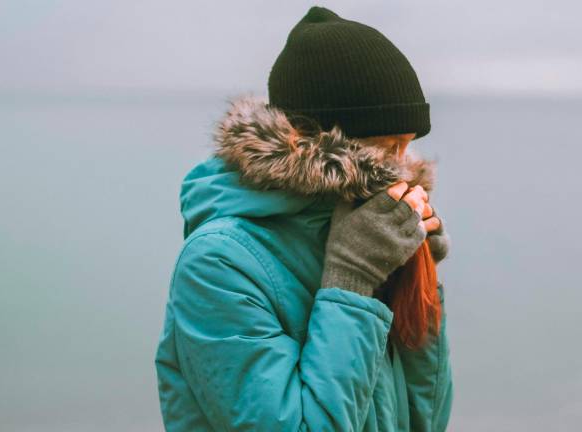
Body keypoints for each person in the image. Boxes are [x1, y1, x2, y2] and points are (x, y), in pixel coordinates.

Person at [155, 6, 453, 431]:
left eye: (407, 147)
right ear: (324, 147)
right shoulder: (218, 264)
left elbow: (424, 420)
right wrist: (352, 278)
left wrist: (420, 285)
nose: (400, 170)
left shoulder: (365, 232)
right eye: (387, 147)